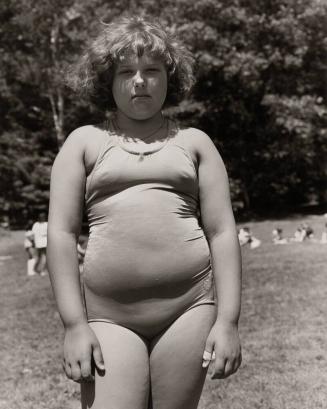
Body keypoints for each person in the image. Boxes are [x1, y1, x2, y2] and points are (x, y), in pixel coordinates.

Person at [47, 15, 242, 409]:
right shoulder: (84, 142)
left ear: (170, 78)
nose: (140, 80)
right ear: (108, 79)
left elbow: (222, 231)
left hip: (188, 310)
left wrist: (228, 321)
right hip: (109, 317)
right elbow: (61, 235)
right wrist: (73, 324)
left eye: (152, 70)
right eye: (126, 71)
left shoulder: (195, 143)